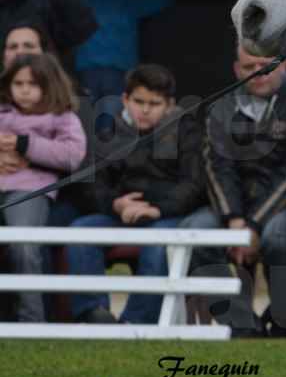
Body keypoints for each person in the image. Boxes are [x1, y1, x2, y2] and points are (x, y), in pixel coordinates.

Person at [187, 42, 286, 337]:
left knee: (278, 235)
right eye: (249, 67)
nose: (258, 72)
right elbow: (217, 168)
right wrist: (234, 220)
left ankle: (282, 324)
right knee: (195, 230)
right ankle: (243, 325)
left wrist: (252, 225)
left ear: (284, 65)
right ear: (236, 69)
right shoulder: (221, 107)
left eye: (266, 64)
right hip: (237, 210)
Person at [64, 64, 205, 324]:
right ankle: (93, 315)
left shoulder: (187, 133)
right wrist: (114, 204)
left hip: (167, 216)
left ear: (170, 104)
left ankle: (134, 324)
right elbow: (90, 186)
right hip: (120, 215)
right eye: (139, 101)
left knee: (160, 243)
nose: (146, 109)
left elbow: (194, 185)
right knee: (79, 233)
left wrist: (157, 209)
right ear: (124, 99)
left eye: (155, 103)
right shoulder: (106, 134)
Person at [0, 52, 87, 322]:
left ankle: (31, 321)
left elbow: (72, 155)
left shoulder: (62, 117)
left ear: (49, 85)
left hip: (30, 190)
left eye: (33, 84)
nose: (25, 91)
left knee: (24, 247)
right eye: (19, 83)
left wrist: (23, 145)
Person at [75, 0, 175, 138]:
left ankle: (87, 159)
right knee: (112, 123)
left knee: (85, 121)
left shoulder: (84, 1)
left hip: (88, 72)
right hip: (118, 71)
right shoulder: (126, 2)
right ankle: (108, 158)